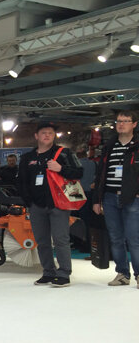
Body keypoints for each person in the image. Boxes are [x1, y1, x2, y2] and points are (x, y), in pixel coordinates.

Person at [17, 121, 83, 287]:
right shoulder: (27, 158)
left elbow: (79, 172)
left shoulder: (63, 153)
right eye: (43, 133)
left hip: (58, 204)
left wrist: (61, 169)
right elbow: (22, 181)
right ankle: (48, 272)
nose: (47, 135)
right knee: (42, 240)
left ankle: (64, 273)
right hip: (36, 205)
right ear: (36, 136)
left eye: (50, 133)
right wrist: (28, 201)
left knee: (61, 239)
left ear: (54, 136)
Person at [93, 111, 139, 288]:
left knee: (134, 238)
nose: (121, 124)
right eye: (119, 121)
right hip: (110, 197)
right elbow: (100, 174)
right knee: (116, 238)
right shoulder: (109, 145)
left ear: (134, 124)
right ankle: (122, 273)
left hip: (132, 198)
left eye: (126, 121)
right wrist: (97, 200)